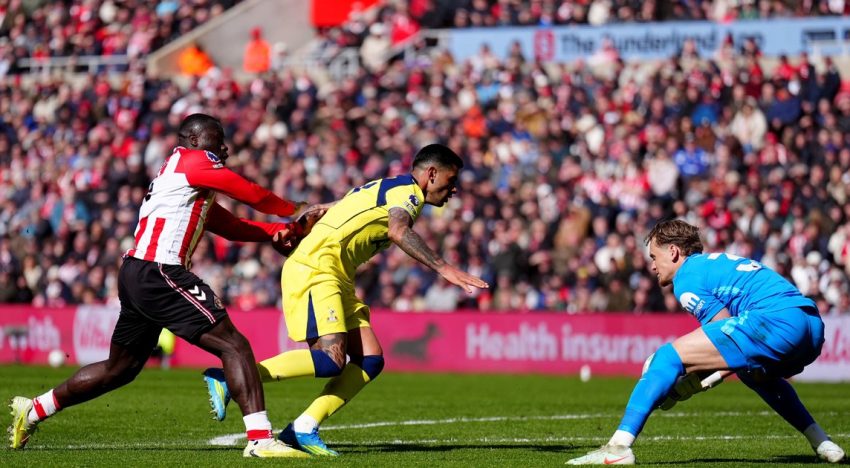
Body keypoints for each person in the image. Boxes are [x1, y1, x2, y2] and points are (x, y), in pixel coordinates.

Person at [8, 113, 314, 458]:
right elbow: (250, 193)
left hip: (138, 272)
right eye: (218, 139)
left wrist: (272, 232)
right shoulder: (193, 161)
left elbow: (226, 225)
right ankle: (260, 440)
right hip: (160, 271)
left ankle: (34, 409)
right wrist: (294, 209)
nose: (225, 147)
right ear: (194, 140)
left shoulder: (181, 177)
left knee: (118, 369)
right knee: (234, 346)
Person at [202, 143, 489, 456]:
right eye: (451, 180)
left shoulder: (386, 185)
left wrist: (305, 218)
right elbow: (397, 230)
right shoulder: (408, 195)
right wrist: (444, 267)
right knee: (330, 360)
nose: (454, 189)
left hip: (335, 273)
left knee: (370, 360)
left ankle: (303, 428)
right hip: (318, 267)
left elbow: (331, 207)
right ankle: (230, 378)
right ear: (431, 174)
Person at [566, 219, 845, 465]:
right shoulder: (715, 263)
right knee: (754, 375)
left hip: (775, 322)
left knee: (663, 359)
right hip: (810, 325)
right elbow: (732, 345)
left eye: (654, 256)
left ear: (673, 252)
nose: (652, 265)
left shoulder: (686, 276)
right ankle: (823, 443)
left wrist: (689, 382)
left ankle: (618, 448)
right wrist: (702, 380)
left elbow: (722, 327)